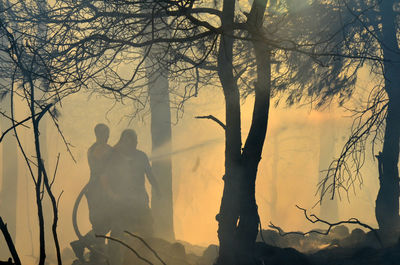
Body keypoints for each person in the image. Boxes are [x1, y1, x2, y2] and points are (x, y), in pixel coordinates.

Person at [103, 129, 160, 265]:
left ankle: (147, 260)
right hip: (121, 203)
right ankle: (114, 261)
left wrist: (158, 189)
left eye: (135, 140)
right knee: (117, 233)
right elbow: (104, 177)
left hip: (140, 201)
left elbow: (150, 174)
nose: (134, 143)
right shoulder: (114, 157)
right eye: (130, 140)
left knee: (148, 230)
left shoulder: (141, 156)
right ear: (123, 141)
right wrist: (112, 195)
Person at [71, 123, 113, 263]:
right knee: (104, 224)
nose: (107, 136)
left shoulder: (94, 149)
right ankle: (81, 244)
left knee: (100, 225)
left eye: (108, 134)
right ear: (99, 134)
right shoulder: (100, 150)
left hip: (95, 190)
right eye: (105, 133)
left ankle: (96, 256)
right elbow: (103, 171)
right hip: (99, 192)